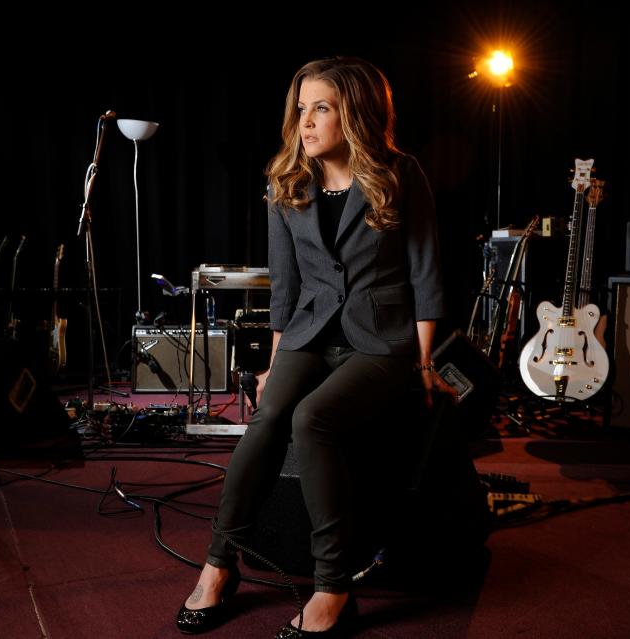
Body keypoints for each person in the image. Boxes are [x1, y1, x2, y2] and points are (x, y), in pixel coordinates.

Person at [176, 56, 454, 638]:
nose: (305, 122)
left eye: (321, 108)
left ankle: (333, 588)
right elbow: (287, 284)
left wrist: (423, 365)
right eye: (301, 109)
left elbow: (426, 276)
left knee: (311, 420)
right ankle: (219, 564)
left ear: (353, 113)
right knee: (269, 415)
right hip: (307, 333)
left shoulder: (402, 174)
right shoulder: (286, 181)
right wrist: (277, 362)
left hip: (381, 343)